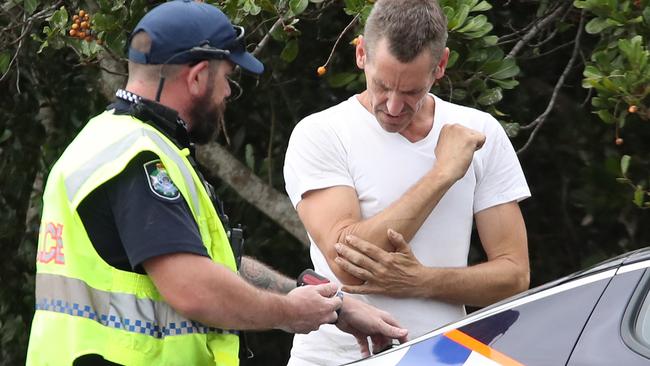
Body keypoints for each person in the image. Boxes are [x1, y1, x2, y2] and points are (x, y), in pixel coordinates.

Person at [25, 1, 407, 365]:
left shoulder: (113, 140)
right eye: (227, 80)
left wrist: (328, 303)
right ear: (197, 77)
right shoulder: (137, 159)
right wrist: (289, 312)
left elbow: (211, 262)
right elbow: (194, 286)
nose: (227, 94)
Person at [283, 0, 531, 364]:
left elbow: (514, 276)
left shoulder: (479, 132)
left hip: (442, 356)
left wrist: (422, 281)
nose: (394, 106)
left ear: (441, 65)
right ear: (362, 53)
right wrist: (443, 174)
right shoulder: (321, 133)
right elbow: (347, 263)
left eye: (412, 92)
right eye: (382, 86)